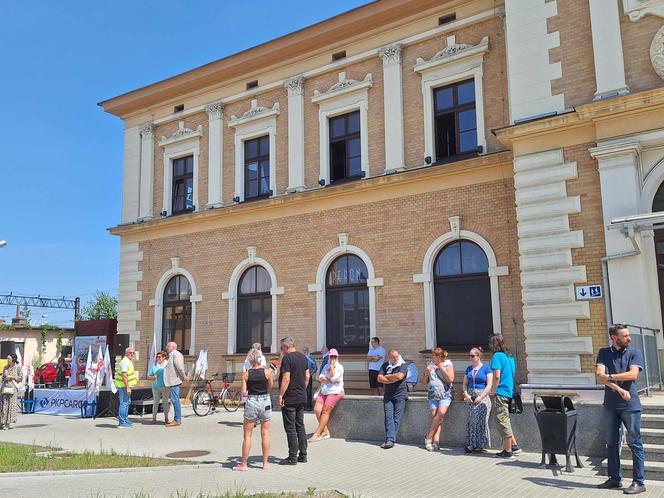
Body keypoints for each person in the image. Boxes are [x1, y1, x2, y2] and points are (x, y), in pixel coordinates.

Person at [596, 324, 646, 494]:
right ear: (614, 338)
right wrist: (618, 388)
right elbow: (599, 376)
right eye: (625, 336)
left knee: (635, 444)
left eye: (628, 335)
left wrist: (610, 377)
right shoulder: (604, 353)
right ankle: (614, 479)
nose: (629, 338)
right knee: (611, 443)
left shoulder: (634, 353)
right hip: (610, 406)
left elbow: (632, 374)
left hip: (630, 406)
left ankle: (639, 482)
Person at [234, 348, 274, 471]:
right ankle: (265, 463)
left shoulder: (246, 374)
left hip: (252, 401)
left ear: (250, 361)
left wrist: (247, 390)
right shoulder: (267, 372)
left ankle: (244, 464)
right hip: (265, 401)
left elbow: (243, 392)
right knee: (265, 433)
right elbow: (271, 386)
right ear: (260, 359)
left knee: (247, 435)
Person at [277, 336, 310, 465]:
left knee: (290, 428)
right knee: (300, 426)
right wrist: (302, 389)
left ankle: (292, 457)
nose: (281, 350)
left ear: (286, 347)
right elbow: (307, 376)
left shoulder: (287, 358)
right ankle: (303, 455)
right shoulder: (303, 357)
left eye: (281, 347)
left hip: (290, 398)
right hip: (301, 396)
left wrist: (280, 396)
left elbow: (286, 378)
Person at [488, 334, 521, 458]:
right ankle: (514, 446)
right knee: (505, 419)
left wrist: (493, 390)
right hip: (509, 391)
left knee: (502, 420)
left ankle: (507, 451)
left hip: (500, 392)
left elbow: (496, 375)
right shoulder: (510, 357)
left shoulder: (497, 356)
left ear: (493, 344)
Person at [309, 348, 344, 442]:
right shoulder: (325, 366)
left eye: (334, 356)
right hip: (324, 391)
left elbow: (333, 377)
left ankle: (317, 433)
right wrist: (329, 380)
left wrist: (332, 368)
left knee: (325, 411)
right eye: (331, 356)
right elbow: (321, 377)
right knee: (317, 410)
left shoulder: (340, 367)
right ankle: (325, 431)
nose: (332, 358)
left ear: (337, 357)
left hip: (335, 392)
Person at [462, 347, 493, 453]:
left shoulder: (486, 369)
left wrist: (481, 396)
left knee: (480, 421)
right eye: (469, 355)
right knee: (471, 421)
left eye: (472, 356)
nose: (470, 358)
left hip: (482, 397)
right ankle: (472, 444)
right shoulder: (469, 369)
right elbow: (465, 384)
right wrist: (466, 394)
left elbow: (489, 385)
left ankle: (480, 444)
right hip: (471, 397)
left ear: (479, 356)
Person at [422, 347, 453, 451]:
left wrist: (442, 368)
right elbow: (424, 382)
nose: (432, 358)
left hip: (445, 395)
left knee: (440, 414)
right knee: (437, 418)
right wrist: (426, 372)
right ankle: (436, 442)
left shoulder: (448, 364)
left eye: (434, 356)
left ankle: (428, 437)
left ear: (439, 357)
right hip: (432, 395)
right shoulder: (430, 366)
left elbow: (450, 379)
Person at [377, 349, 408, 449]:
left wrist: (388, 377)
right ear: (389, 357)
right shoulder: (385, 365)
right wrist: (391, 380)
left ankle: (390, 440)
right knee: (388, 417)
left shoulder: (403, 365)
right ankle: (390, 439)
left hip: (400, 395)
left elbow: (400, 376)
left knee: (396, 418)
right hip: (388, 395)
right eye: (393, 357)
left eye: (396, 356)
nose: (395, 358)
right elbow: (379, 378)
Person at [164, 341, 187, 427]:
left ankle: (177, 420)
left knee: (175, 400)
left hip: (174, 381)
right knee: (174, 399)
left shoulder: (176, 354)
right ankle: (176, 419)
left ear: (172, 347)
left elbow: (180, 367)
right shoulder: (172, 355)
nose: (166, 348)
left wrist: (183, 376)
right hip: (172, 381)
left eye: (168, 346)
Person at [113, 347, 137, 429]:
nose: (132, 354)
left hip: (126, 385)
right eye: (130, 352)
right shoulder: (124, 362)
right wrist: (127, 387)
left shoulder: (128, 361)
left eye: (133, 353)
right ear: (126, 353)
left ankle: (125, 420)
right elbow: (124, 375)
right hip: (123, 386)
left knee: (127, 402)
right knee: (124, 403)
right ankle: (122, 422)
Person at [0, 353, 22, 430]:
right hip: (5, 388)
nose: (7, 360)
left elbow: (20, 378)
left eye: (9, 358)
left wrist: (12, 377)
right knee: (4, 405)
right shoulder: (5, 367)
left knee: (10, 406)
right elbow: (3, 377)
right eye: (7, 358)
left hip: (13, 389)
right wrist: (5, 378)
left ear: (13, 359)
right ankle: (2, 422)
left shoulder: (18, 367)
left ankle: (7, 423)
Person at [148, 351, 171, 425]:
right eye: (157, 357)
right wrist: (153, 377)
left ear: (164, 358)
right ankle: (154, 418)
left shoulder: (167, 365)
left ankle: (166, 418)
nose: (158, 358)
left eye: (159, 357)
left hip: (165, 386)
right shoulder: (154, 366)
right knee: (155, 402)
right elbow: (148, 376)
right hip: (155, 386)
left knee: (165, 402)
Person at [302, 347, 317, 411]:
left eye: (305, 350)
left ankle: (309, 406)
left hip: (309, 376)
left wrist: (311, 373)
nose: (304, 351)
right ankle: (304, 405)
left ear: (308, 351)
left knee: (308, 391)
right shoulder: (301, 358)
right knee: (303, 391)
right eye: (303, 350)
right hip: (302, 377)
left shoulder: (311, 358)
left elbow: (315, 367)